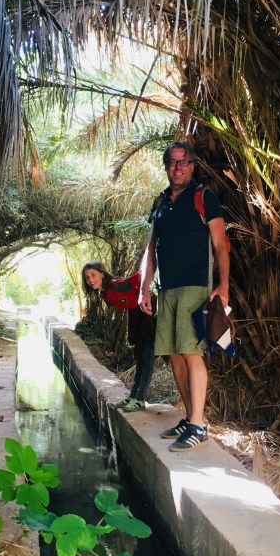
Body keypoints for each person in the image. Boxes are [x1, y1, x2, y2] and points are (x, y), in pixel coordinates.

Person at [139, 141, 230, 453]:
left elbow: (220, 244)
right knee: (175, 353)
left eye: (184, 162)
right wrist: (144, 287)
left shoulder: (204, 197)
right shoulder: (161, 202)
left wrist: (223, 285)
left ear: (192, 166)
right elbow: (152, 247)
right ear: (167, 166)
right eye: (173, 162)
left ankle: (198, 426)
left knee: (191, 352)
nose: (178, 168)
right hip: (167, 288)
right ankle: (190, 418)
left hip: (195, 285)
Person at [82, 261, 156, 410]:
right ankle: (133, 396)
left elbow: (140, 277)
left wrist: (146, 293)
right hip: (137, 318)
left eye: (93, 275)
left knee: (147, 359)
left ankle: (140, 399)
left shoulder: (115, 285)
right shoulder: (105, 292)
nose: (90, 279)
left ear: (102, 274)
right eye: (87, 277)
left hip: (150, 315)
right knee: (140, 359)